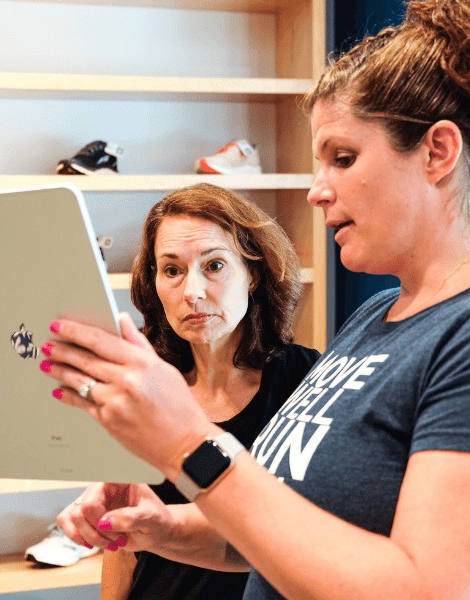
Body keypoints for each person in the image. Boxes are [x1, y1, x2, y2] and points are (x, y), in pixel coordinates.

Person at [40, 0, 470, 597]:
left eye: (342, 158)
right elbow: (292, 537)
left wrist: (189, 446)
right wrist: (163, 528)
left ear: (438, 152)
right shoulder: (377, 318)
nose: (317, 192)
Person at [50, 182, 320, 599]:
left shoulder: (309, 380)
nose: (192, 292)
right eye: (172, 270)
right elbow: (122, 547)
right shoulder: (143, 385)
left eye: (214, 266)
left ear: (253, 273)